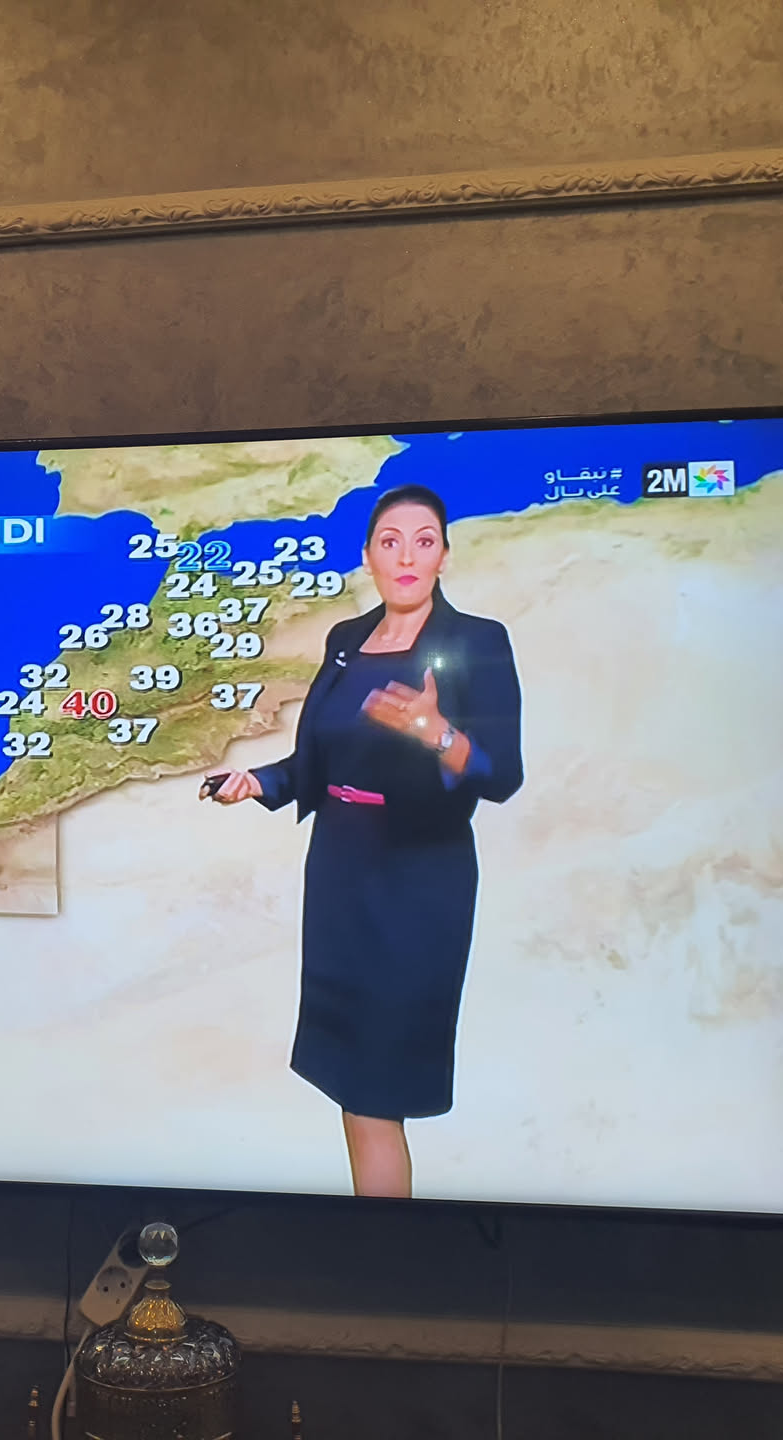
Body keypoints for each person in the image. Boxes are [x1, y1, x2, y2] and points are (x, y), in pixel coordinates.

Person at [209, 484, 522, 1198]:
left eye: (423, 541)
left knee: (379, 1089)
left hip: (417, 883)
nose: (407, 556)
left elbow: (501, 774)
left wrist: (436, 733)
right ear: (369, 557)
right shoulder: (346, 642)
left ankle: (390, 1250)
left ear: (444, 556)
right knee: (354, 1086)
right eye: (390, 542)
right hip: (341, 875)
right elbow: (318, 762)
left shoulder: (477, 642)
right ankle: (378, 1234)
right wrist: (257, 782)